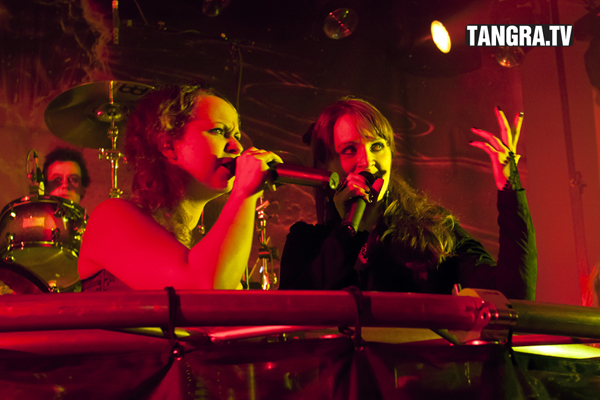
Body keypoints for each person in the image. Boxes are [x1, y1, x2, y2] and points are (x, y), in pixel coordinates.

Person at [279, 97, 537, 301]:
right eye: (350, 149)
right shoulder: (307, 243)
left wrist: (509, 187)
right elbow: (296, 314)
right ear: (326, 165)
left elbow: (513, 296)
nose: (367, 161)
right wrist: (348, 233)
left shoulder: (434, 230)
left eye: (377, 146)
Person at [77, 84, 282, 291]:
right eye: (219, 131)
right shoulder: (110, 218)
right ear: (169, 146)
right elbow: (202, 288)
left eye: (236, 136)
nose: (237, 147)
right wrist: (244, 192)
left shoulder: (207, 252)